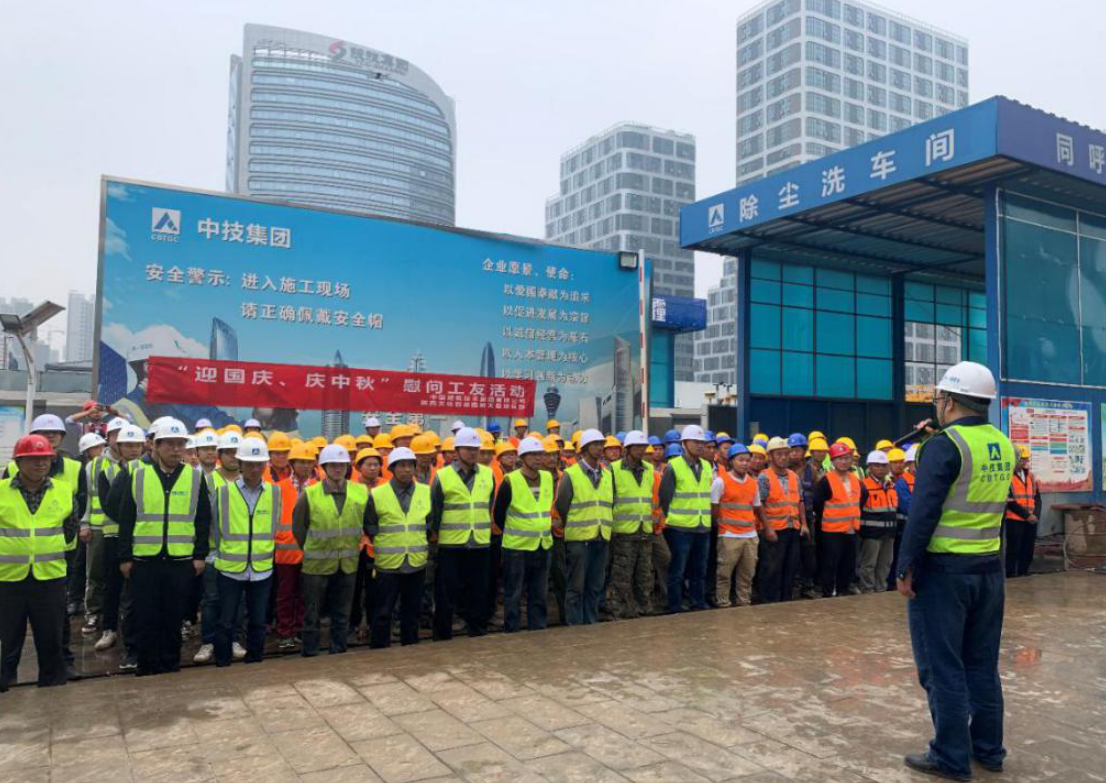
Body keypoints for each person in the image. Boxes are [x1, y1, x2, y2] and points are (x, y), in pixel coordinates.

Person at [897, 361, 1014, 781]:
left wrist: (905, 566)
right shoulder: (1002, 443)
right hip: (988, 570)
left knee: (942, 667)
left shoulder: (943, 446)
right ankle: (989, 750)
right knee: (981, 665)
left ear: (947, 400)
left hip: (944, 573)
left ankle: (950, 756)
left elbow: (923, 512)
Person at [117, 418, 211, 676]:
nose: (176, 449)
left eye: (180, 444)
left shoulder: (195, 478)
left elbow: (203, 519)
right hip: (145, 560)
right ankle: (147, 665)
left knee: (173, 616)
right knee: (145, 616)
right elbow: (126, 519)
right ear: (155, 446)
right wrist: (124, 557)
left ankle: (170, 664)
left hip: (180, 561)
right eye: (169, 443)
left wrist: (199, 555)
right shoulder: (138, 476)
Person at [0, 435, 77, 691]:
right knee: (7, 638)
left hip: (50, 577)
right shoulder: (1, 491)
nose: (41, 464)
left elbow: (70, 529)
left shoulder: (63, 491)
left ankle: (52, 686)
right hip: (8, 577)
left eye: (45, 459)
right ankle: (4, 682)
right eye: (33, 459)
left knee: (50, 638)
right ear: (18, 462)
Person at [211, 439, 280, 666]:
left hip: (262, 569)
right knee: (226, 620)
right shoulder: (223, 492)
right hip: (230, 568)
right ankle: (222, 663)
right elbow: (214, 528)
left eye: (260, 464)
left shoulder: (274, 492)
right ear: (240, 463)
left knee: (258, 621)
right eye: (250, 463)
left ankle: (255, 661)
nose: (255, 469)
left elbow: (274, 526)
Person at [293, 445, 366, 656]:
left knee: (342, 614)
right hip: (316, 566)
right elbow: (299, 529)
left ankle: (338, 652)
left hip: (347, 565)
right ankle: (310, 653)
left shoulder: (360, 492)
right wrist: (313, 549)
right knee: (312, 614)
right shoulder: (310, 494)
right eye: (333, 465)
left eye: (341, 465)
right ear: (324, 467)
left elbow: (366, 521)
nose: (338, 469)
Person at [428, 428, 494, 640]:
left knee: (478, 591)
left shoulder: (488, 474)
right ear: (457, 451)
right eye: (468, 448)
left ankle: (477, 631)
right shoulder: (443, 476)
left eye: (476, 449)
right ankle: (442, 636)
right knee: (446, 594)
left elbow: (489, 505)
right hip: (451, 545)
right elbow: (435, 510)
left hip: (479, 543)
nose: (473, 453)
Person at [366, 447, 429, 647]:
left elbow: (430, 523)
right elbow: (370, 526)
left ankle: (410, 650)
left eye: (410, 465)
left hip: (416, 563)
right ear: (392, 468)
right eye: (401, 465)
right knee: (383, 613)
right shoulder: (377, 494)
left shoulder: (425, 492)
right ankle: (380, 651)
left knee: (412, 613)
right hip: (388, 564)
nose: (407, 470)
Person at [95, 424, 145, 664]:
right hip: (114, 536)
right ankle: (109, 628)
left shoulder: (148, 471)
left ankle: (134, 632)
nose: (133, 450)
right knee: (112, 585)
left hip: (141, 537)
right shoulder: (107, 472)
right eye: (128, 445)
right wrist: (130, 520)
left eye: (137, 445)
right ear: (119, 446)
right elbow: (109, 505)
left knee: (135, 590)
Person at [492, 437, 553, 632]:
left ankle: (538, 628)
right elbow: (499, 514)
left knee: (539, 593)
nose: (537, 458)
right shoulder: (511, 481)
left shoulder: (547, 478)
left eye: (539, 454)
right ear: (523, 457)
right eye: (532, 455)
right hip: (516, 548)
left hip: (542, 544)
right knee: (514, 593)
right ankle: (513, 631)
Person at [555, 429, 612, 625]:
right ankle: (575, 626)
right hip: (579, 540)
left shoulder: (607, 475)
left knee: (595, 586)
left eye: (601, 444)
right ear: (585, 449)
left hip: (601, 537)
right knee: (576, 587)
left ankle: (590, 623)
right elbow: (562, 505)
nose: (599, 448)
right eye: (595, 445)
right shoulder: (571, 475)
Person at [657, 425, 712, 613]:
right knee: (677, 571)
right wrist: (673, 518)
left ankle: (698, 603)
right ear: (685, 443)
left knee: (700, 570)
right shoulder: (674, 466)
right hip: (680, 528)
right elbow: (665, 497)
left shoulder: (707, 466)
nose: (700, 445)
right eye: (695, 442)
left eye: (702, 442)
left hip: (702, 526)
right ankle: (675, 605)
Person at [606, 431, 655, 619]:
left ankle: (643, 607)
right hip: (623, 531)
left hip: (644, 529)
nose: (641, 450)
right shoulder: (614, 470)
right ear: (627, 449)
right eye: (637, 447)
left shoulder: (649, 469)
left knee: (644, 574)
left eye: (643, 447)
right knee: (621, 575)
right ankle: (618, 610)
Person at [757, 437, 809, 603]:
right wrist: (768, 528)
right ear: (770, 457)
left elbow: (800, 501)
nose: (783, 457)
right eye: (779, 454)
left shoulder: (794, 476)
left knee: (790, 567)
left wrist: (804, 524)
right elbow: (760, 504)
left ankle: (785, 602)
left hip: (792, 528)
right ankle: (769, 602)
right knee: (772, 569)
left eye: (786, 454)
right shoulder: (764, 477)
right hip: (774, 530)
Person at [713, 444, 765, 607]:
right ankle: (723, 603)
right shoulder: (721, 481)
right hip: (729, 535)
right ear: (731, 461)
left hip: (750, 535)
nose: (744, 463)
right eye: (740, 460)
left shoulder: (753, 483)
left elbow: (756, 507)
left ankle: (744, 603)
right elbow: (713, 507)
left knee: (747, 575)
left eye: (747, 460)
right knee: (724, 574)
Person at [812, 443, 861, 598]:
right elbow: (817, 503)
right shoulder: (826, 481)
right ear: (832, 461)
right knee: (830, 564)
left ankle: (842, 591)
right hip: (832, 530)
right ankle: (828, 593)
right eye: (839, 459)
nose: (844, 462)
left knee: (848, 564)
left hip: (851, 529)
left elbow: (861, 499)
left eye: (847, 458)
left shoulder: (855, 480)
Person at [349, 447, 383, 644]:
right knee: (353, 589)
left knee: (374, 589)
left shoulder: (386, 487)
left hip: (378, 547)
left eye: (376, 464)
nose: (373, 468)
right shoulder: (351, 488)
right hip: (356, 547)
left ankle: (372, 623)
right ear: (359, 467)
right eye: (368, 464)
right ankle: (353, 624)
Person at [859, 450, 898, 593]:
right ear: (869, 467)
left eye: (883, 465)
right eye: (876, 465)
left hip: (889, 533)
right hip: (871, 534)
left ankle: (881, 590)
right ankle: (867, 590)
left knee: (885, 564)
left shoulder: (891, 485)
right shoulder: (863, 485)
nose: (880, 468)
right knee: (869, 564)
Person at [1004, 445, 1040, 578]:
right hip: (1015, 519)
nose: (1025, 462)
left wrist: (1035, 515)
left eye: (1026, 459)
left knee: (1028, 548)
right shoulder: (1007, 476)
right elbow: (1010, 501)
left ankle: (1024, 572)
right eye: (1022, 459)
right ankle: (1011, 574)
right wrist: (1027, 515)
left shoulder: (1030, 476)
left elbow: (1037, 498)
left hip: (1031, 520)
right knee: (1014, 548)